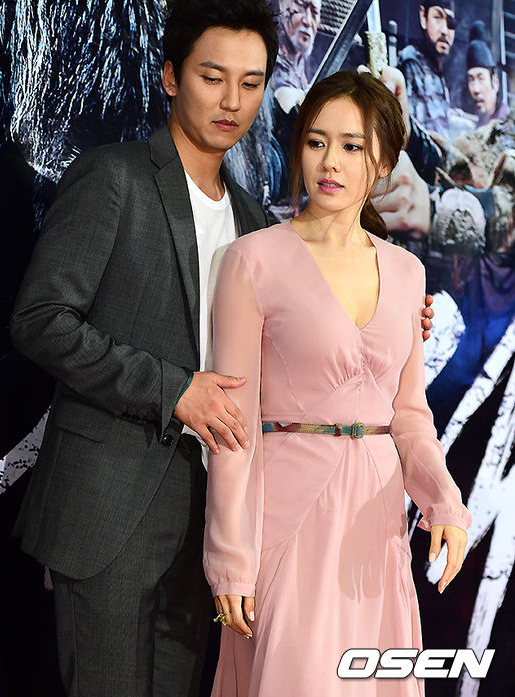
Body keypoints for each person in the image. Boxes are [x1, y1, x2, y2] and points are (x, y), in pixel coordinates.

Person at [8, 1, 278, 695]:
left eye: (251, 83)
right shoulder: (114, 176)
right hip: (110, 509)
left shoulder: (255, 221)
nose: (232, 100)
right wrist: (173, 388)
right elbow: (40, 318)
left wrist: (398, 322)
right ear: (170, 76)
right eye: (213, 77)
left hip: (210, 517)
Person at [203, 71, 471, 697]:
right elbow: (232, 427)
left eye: (352, 146)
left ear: (383, 162)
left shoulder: (406, 271)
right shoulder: (251, 260)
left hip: (375, 522)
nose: (330, 162)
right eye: (316, 141)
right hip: (286, 515)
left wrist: (443, 501)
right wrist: (230, 557)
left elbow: (409, 416)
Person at [398, 2, 456, 138]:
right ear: (423, 17)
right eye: (437, 17)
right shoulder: (412, 62)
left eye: (450, 23)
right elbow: (419, 133)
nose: (444, 30)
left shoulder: (437, 69)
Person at [466, 21, 509, 127]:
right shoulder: (478, 127)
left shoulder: (508, 124)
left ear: (495, 83)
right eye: (471, 80)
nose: (475, 89)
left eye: (481, 78)